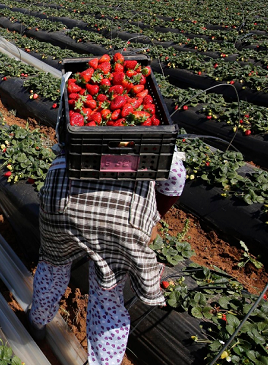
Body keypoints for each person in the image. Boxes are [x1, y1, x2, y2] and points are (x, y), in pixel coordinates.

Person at [28, 148, 185, 365]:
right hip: (123, 214)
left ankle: (37, 322)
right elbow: (176, 176)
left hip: (62, 199)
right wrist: (155, 216)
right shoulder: (155, 131)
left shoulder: (78, 114)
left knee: (53, 266)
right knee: (107, 294)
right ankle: (104, 362)